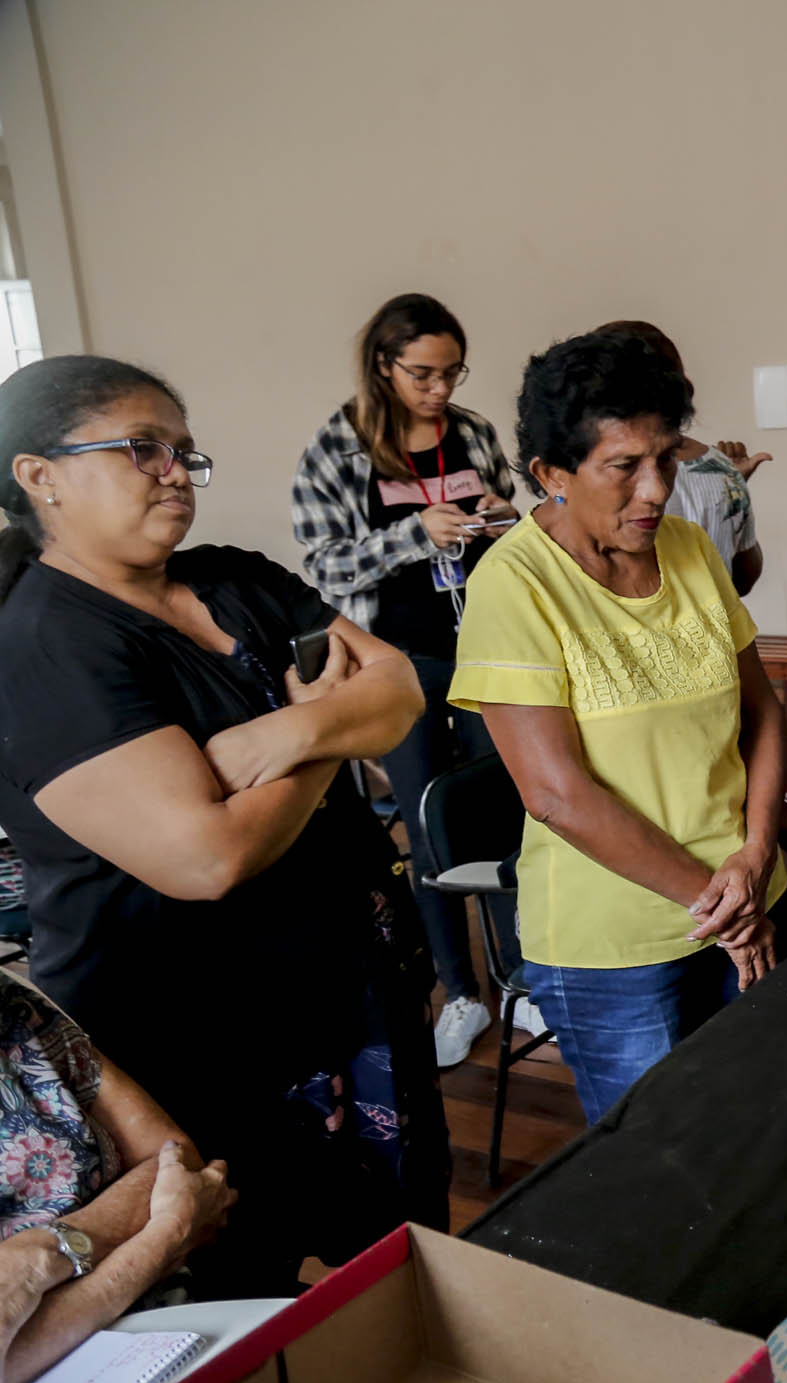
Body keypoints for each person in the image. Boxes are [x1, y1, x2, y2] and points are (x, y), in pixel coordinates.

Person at [0, 356, 450, 1295]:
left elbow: (401, 687)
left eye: (184, 453)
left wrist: (281, 735)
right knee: (251, 1304)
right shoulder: (45, 645)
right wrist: (332, 734)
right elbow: (208, 857)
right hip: (198, 1043)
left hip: (349, 998)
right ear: (38, 475)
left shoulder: (235, 576)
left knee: (405, 1266)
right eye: (142, 449)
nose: (175, 470)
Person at [451, 332, 787, 1124]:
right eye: (624, 466)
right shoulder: (515, 584)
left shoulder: (689, 548)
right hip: (618, 947)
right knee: (670, 1162)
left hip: (748, 894)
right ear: (552, 475)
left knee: (780, 1121)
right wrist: (721, 907)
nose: (656, 488)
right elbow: (557, 794)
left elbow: (760, 708)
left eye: (666, 458)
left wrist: (758, 850)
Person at [291, 293, 524, 1067]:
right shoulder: (338, 446)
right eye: (423, 373)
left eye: (452, 372)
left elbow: (509, 522)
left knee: (506, 808)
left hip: (487, 645)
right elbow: (322, 563)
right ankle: (459, 993)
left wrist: (498, 513)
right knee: (428, 825)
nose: (440, 389)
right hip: (401, 659)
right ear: (383, 364)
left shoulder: (474, 432)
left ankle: (520, 979)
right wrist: (410, 536)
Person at [1, 974, 235, 1383]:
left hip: (181, 1315)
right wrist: (164, 1235)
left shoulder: (11, 1007)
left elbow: (177, 1159)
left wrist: (38, 1257)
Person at [596, 320, 771, 596]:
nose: (656, 491)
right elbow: (743, 579)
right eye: (626, 465)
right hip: (717, 630)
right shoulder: (722, 469)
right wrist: (734, 487)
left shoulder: (592, 474)